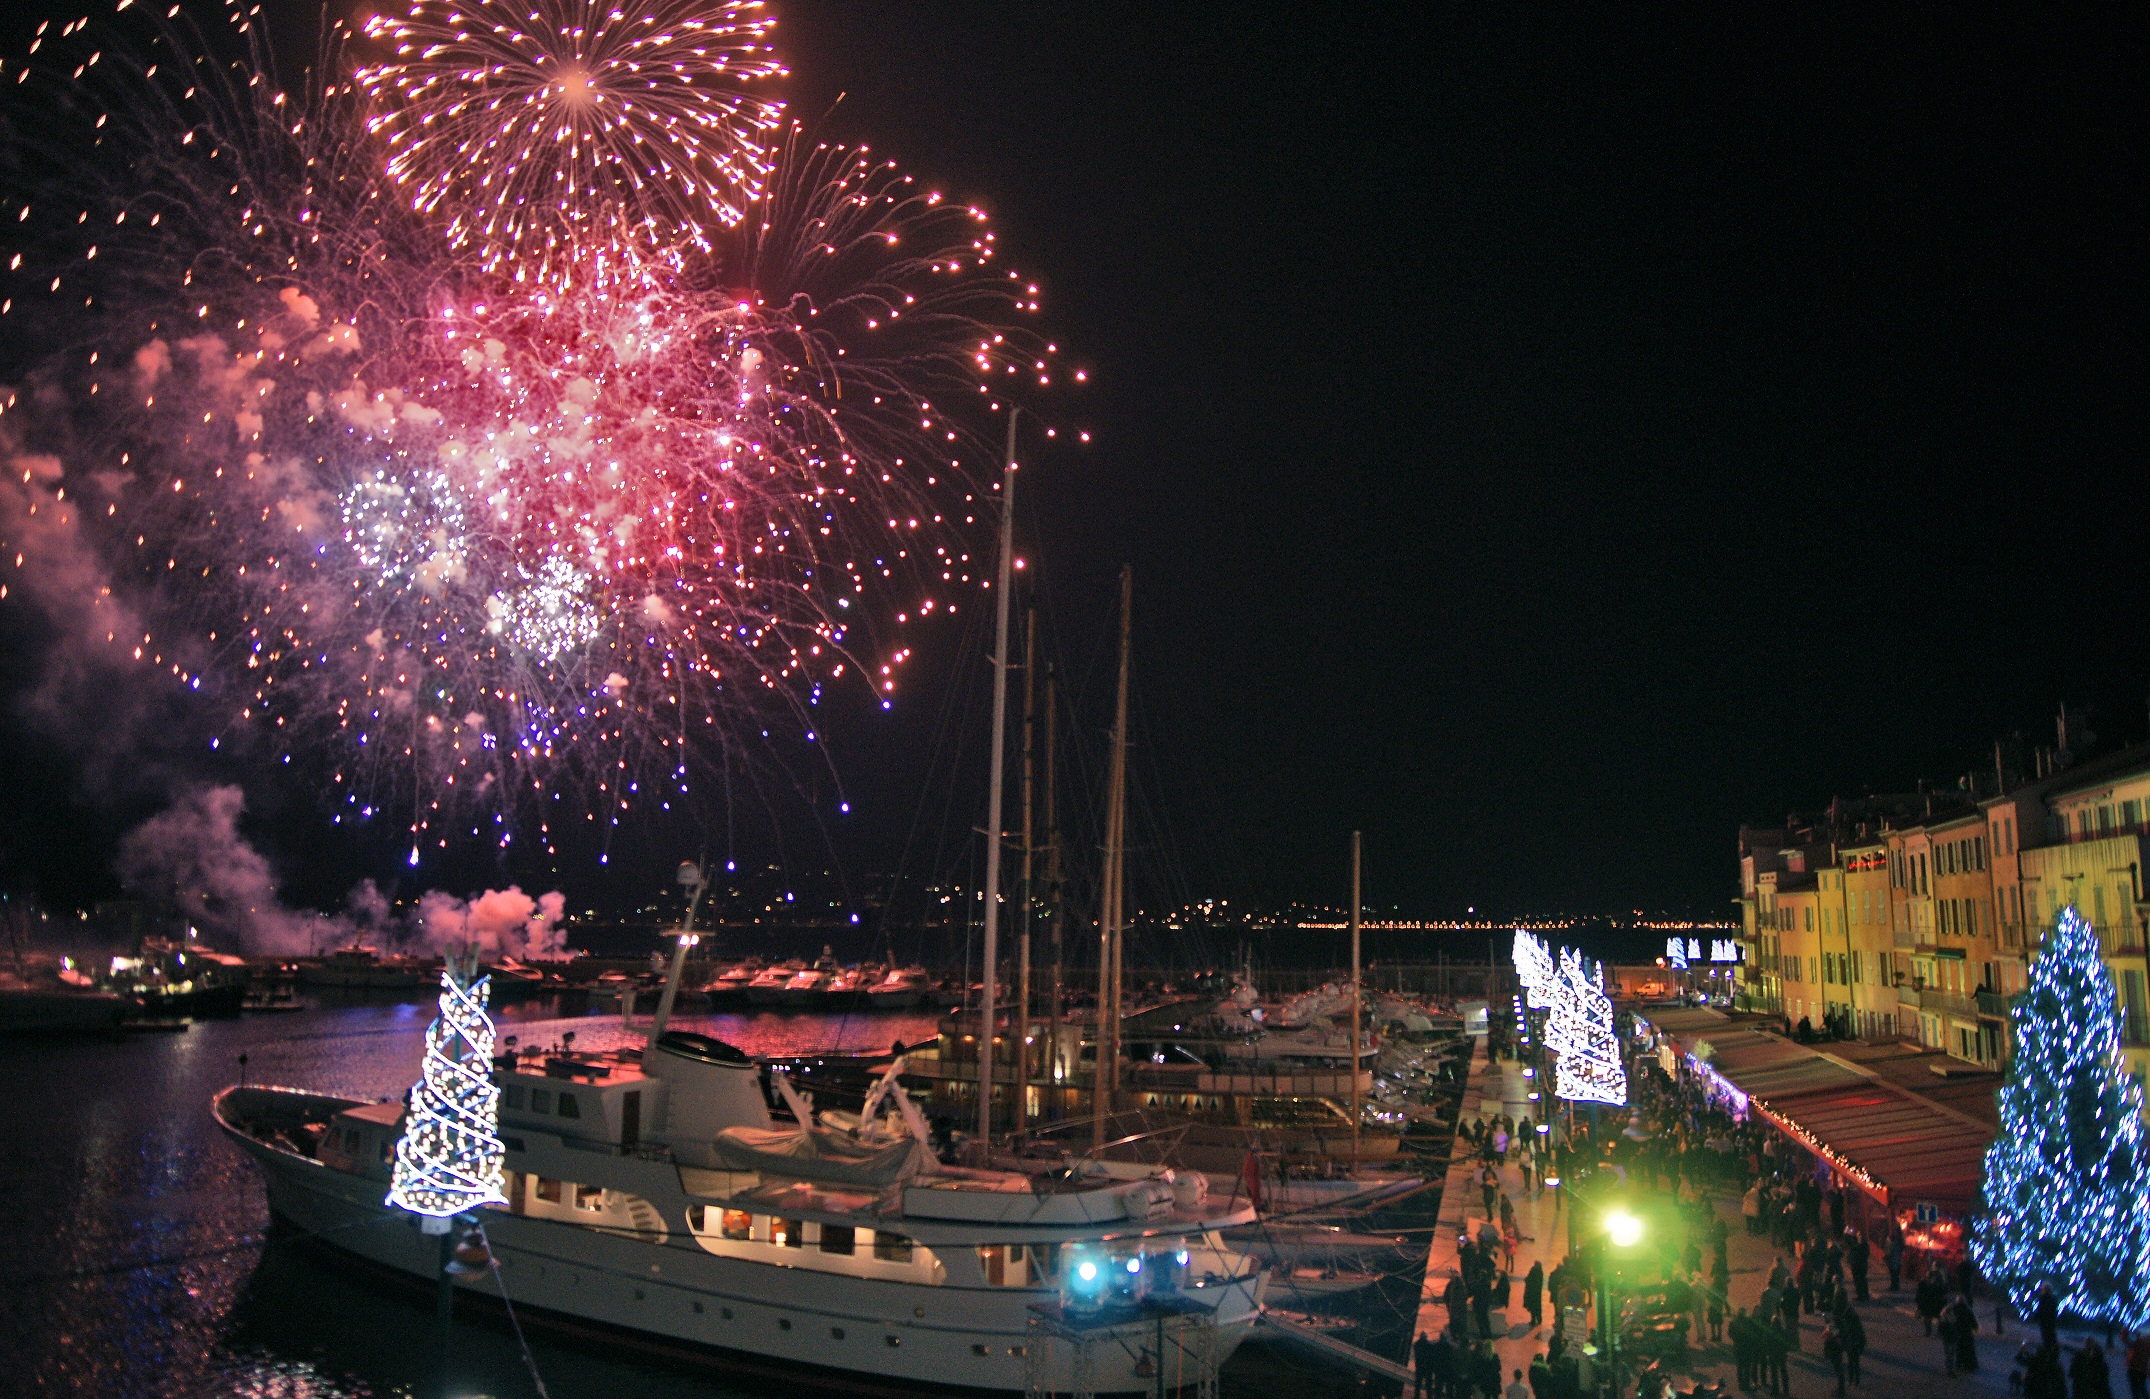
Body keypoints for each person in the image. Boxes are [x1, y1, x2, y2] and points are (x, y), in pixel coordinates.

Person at [1918, 1266, 1948, 1336]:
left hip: (1934, 1302)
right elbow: (1920, 1293)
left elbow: (1943, 1292)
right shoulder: (1926, 1282)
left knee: (1935, 1317)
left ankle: (1933, 1331)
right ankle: (1930, 1331)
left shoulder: (1939, 1281)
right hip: (1931, 1302)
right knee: (1929, 1317)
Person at [1823, 1319, 1846, 1397]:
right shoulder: (1836, 1326)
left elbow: (1829, 1340)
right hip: (1836, 1351)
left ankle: (1841, 1390)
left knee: (1838, 1369)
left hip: (1834, 1351)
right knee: (1838, 1369)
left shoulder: (1833, 1327)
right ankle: (1841, 1388)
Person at [2126, 1332, 2150, 1399]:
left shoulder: (2136, 1344)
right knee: (2142, 1388)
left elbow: (2126, 1341)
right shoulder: (2147, 1345)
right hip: (2142, 1369)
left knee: (2135, 1389)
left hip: (2133, 1368)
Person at [1415, 1332, 1438, 1399]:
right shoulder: (1429, 1345)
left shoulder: (1417, 1344)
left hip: (1419, 1367)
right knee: (1428, 1385)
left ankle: (1416, 1396)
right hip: (1428, 1367)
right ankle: (1429, 1396)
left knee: (1418, 1383)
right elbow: (1432, 1356)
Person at [1525, 1259, 1545, 1331]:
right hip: (1538, 1292)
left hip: (1531, 1292)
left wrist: (1527, 1280)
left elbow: (1529, 1279)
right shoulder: (1541, 1272)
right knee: (1538, 1306)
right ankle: (1539, 1320)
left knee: (1532, 1306)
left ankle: (1533, 1320)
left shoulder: (1533, 1270)